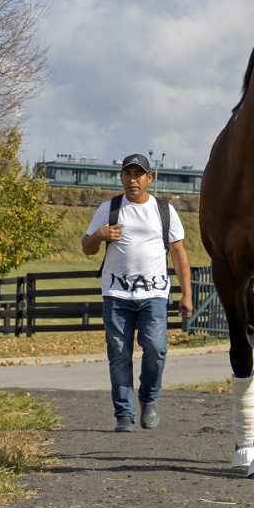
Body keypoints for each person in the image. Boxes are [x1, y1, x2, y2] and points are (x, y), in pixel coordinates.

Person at [81, 153, 193, 432]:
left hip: (153, 294)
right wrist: (100, 236)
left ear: (148, 178)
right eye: (128, 174)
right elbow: (87, 247)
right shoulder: (110, 208)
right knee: (119, 353)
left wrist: (186, 294)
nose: (133, 180)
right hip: (116, 294)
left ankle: (149, 398)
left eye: (138, 174)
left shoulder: (164, 210)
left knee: (155, 348)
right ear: (122, 178)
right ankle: (123, 414)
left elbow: (179, 254)